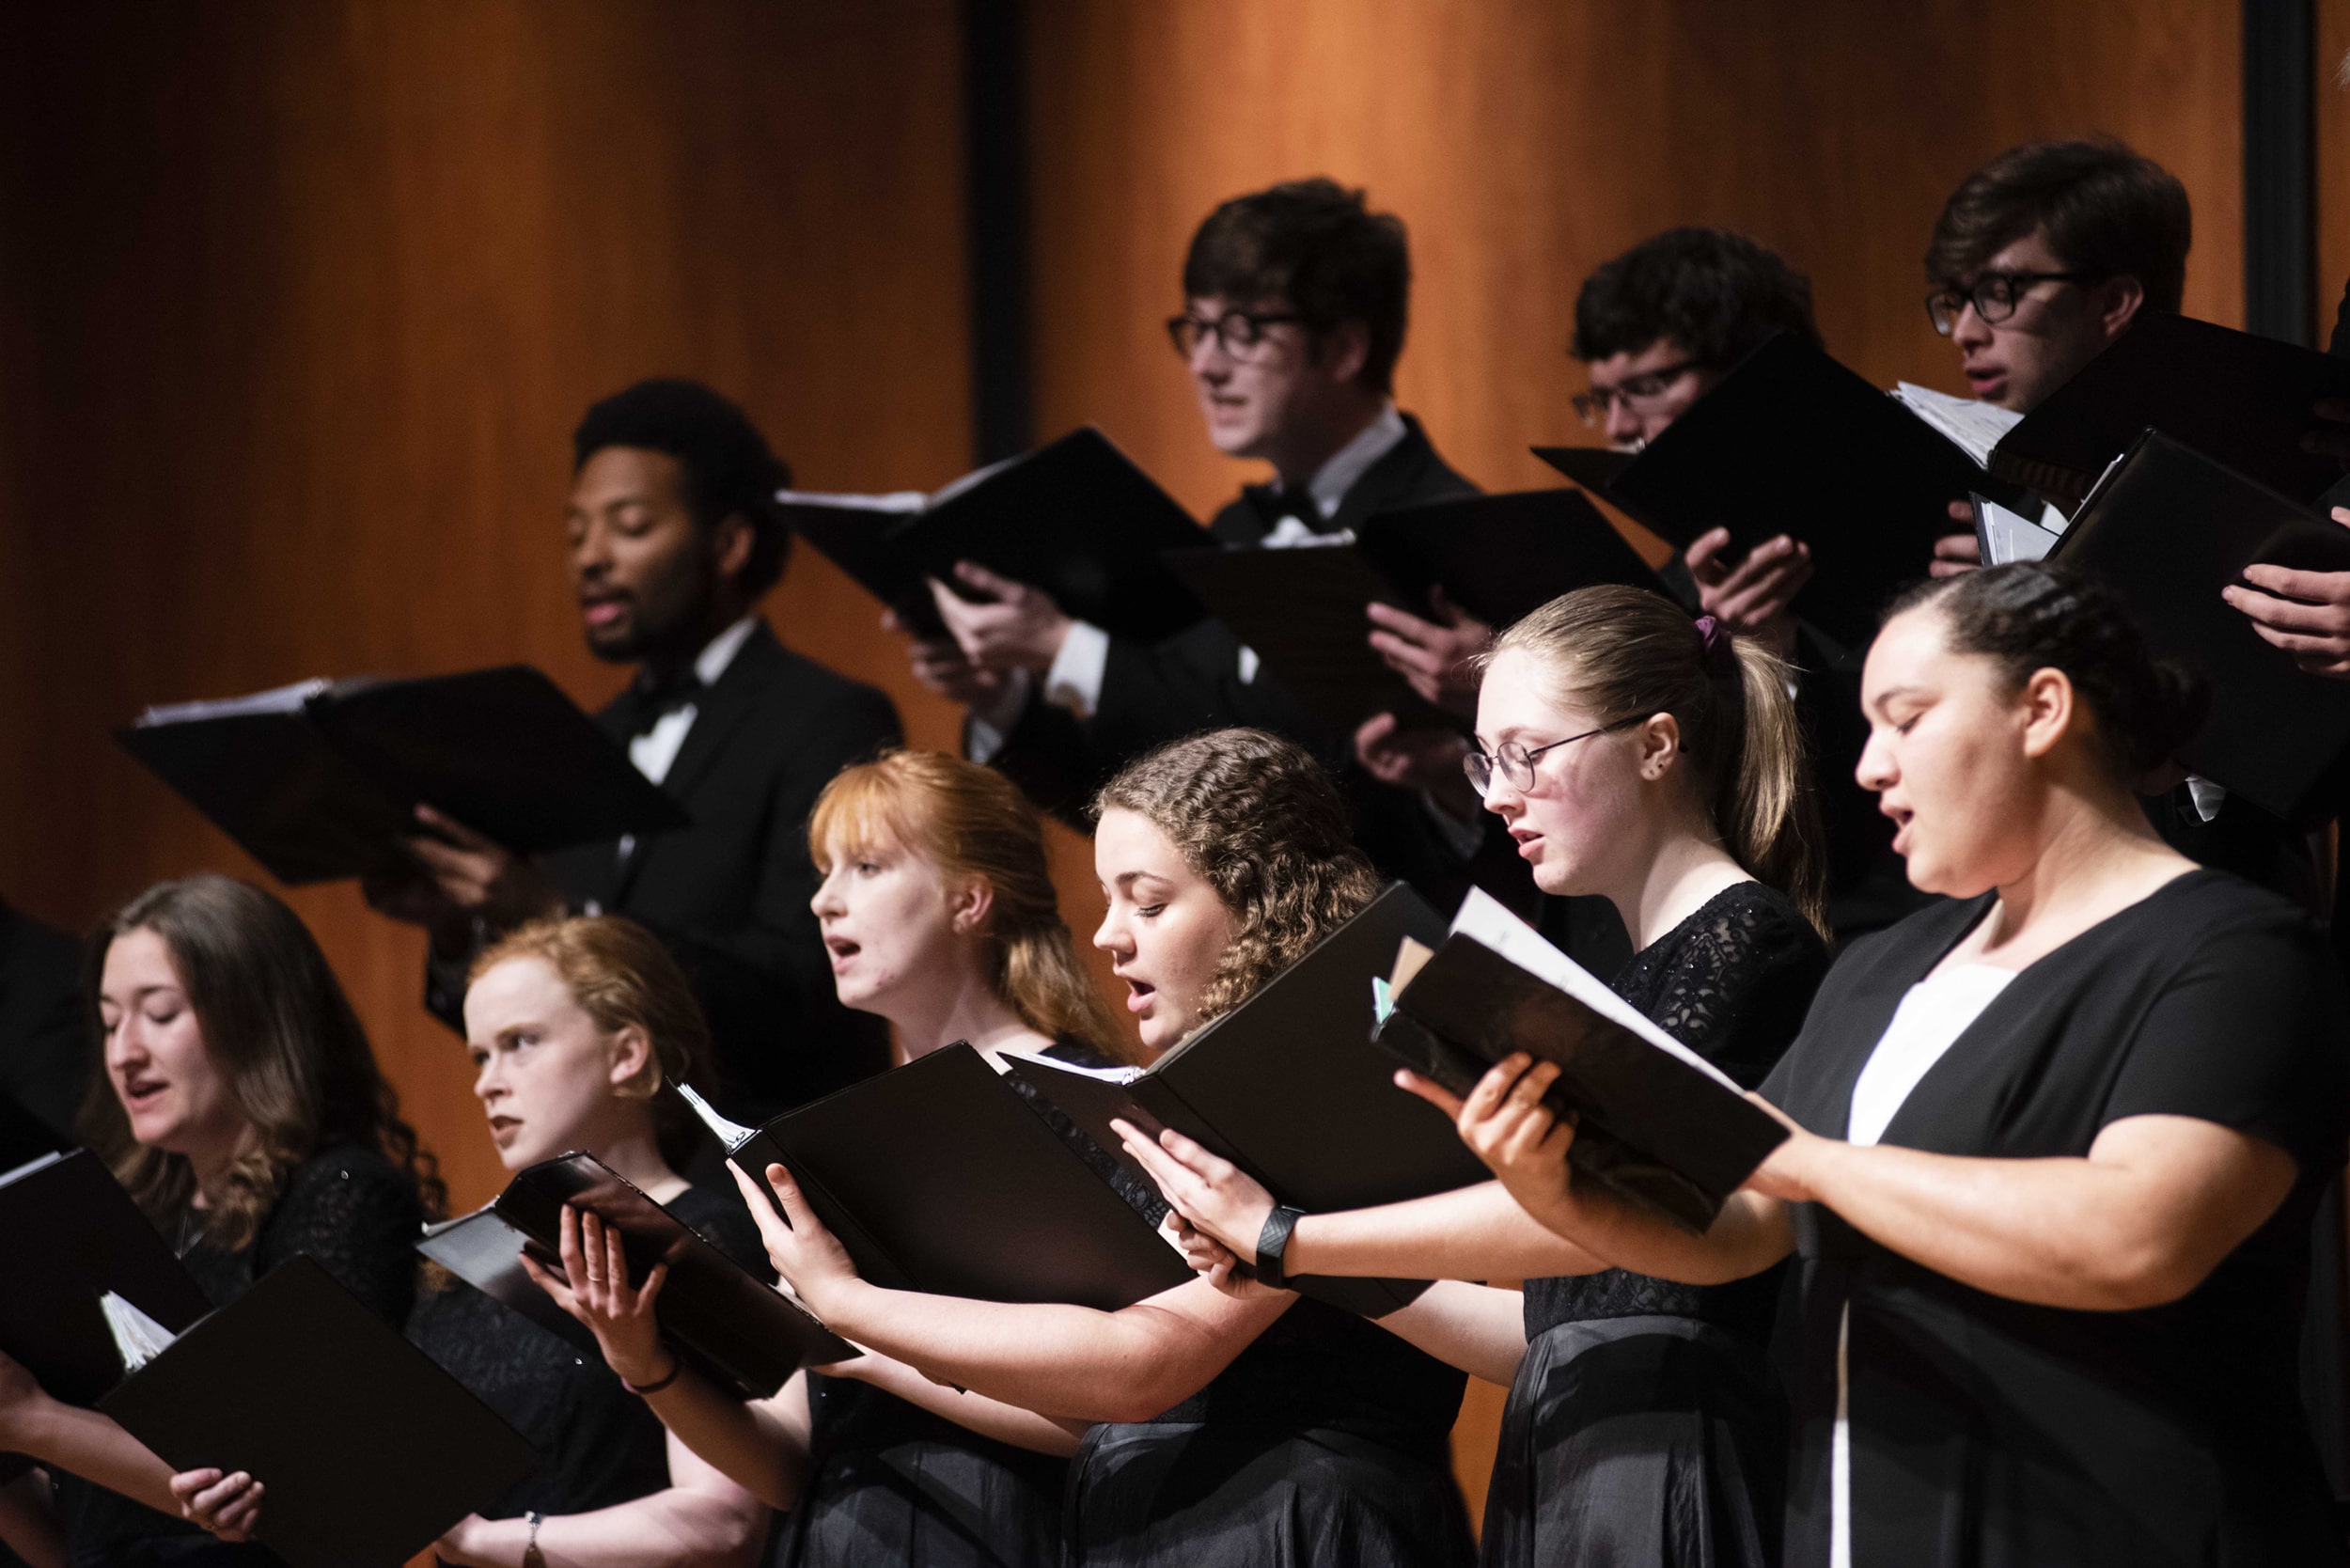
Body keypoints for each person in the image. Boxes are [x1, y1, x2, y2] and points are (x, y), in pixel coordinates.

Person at [1452, 565, 2349, 1565]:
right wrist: (1563, 1186)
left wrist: (1811, 1163)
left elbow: (2139, 1234)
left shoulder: (2230, 951)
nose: (1870, 767)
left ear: (2040, 710)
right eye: (1867, 728)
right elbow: (1741, 1226)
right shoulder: (1883, 970)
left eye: (1906, 719)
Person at [1124, 586, 1830, 1566]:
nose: (1496, 796)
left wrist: (1291, 1235)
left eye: (1525, 755)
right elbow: (1540, 1327)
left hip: (1674, 1450)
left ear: (1656, 744)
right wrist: (1286, 1256)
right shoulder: (1623, 975)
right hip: (1578, 1439)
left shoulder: (1746, 942)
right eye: (1485, 761)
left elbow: (1594, 1223)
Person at [704, 730, 1476, 1566]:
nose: (1107, 936)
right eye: (1107, 901)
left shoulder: (1324, 1083)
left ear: (1254, 898)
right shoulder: (1217, 1098)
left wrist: (850, 1308)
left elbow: (1141, 1366)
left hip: (1303, 1526)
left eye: (1145, 903)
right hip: (1172, 1520)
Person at [539, 750, 1126, 1566]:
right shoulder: (820, 1136)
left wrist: (864, 1345)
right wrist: (650, 1365)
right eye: (822, 872)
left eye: (867, 866)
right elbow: (783, 1464)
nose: (823, 900)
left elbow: (1111, 1414)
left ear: (970, 899)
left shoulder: (1078, 1101)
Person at [902, 179, 1495, 902]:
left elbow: (1307, 778)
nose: (1207, 365)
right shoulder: (1231, 530)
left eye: (1243, 331)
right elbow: (1156, 788)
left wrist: (1068, 650)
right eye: (1198, 328)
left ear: (1343, 348)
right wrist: (1006, 700)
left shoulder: (1450, 530)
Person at [365, 378, 903, 1121]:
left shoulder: (828, 718)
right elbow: (521, 1024)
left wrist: (558, 913)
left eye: (629, 526)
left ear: (729, 542)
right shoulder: (582, 739)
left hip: (781, 1174)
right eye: (577, 533)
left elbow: (809, 988)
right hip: (606, 1177)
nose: (590, 559)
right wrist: (463, 924)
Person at [178, 915, 771, 1567]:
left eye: (521, 1042)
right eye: (480, 1056)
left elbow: (726, 1518)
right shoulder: (471, 1262)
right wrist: (268, 1495)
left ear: (626, 1055)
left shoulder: (704, 1238)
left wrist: (491, 1544)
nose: (488, 1081)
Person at [0, 874, 436, 1567]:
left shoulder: (340, 1195)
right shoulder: (132, 1219)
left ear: (256, 1017)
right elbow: (83, 1545)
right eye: (110, 1022)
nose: (123, 1053)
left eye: (160, 1014)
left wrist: (34, 1420)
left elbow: (309, 1497)